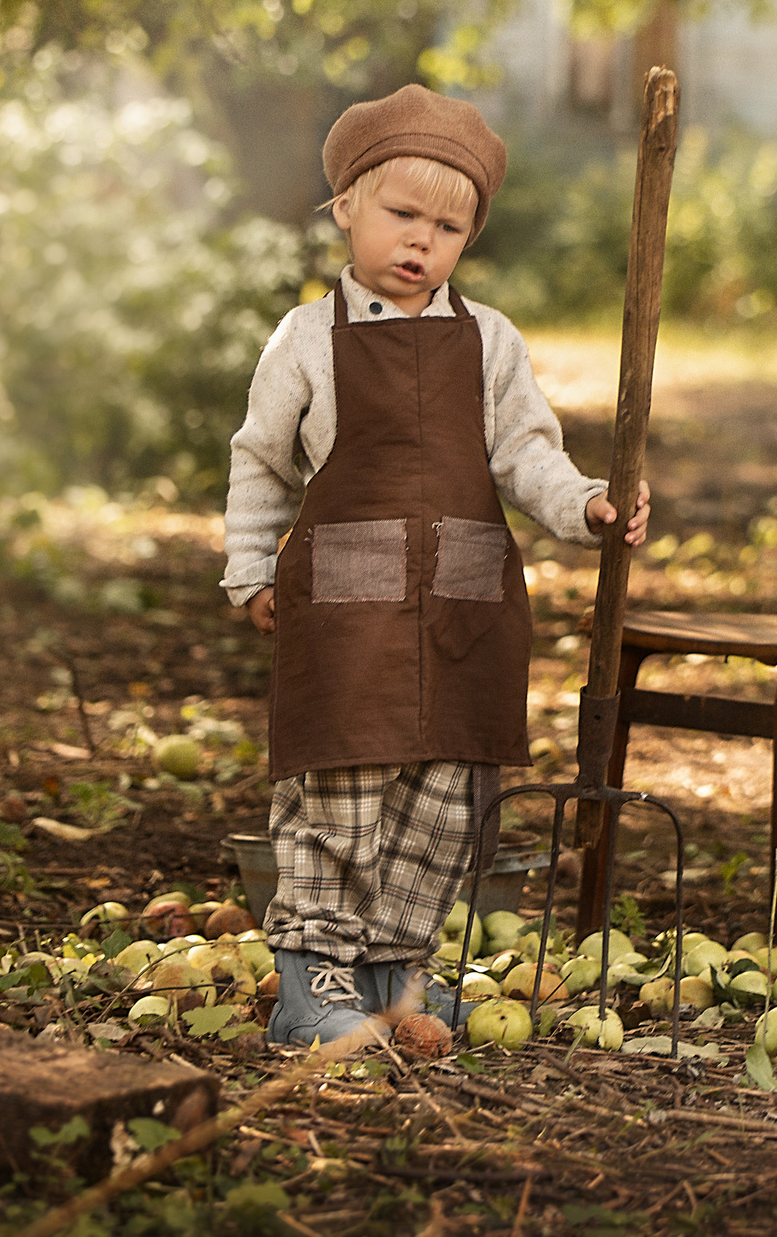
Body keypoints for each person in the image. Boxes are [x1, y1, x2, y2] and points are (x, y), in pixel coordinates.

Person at [221, 85, 647, 1047]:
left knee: (444, 802)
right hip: (346, 614)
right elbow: (261, 461)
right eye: (402, 213)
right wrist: (250, 569)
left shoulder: (490, 340)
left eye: (448, 227)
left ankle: (391, 979)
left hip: (462, 607)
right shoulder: (307, 339)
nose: (422, 240)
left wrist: (585, 503)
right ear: (346, 207)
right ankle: (313, 983)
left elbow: (526, 454)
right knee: (341, 793)